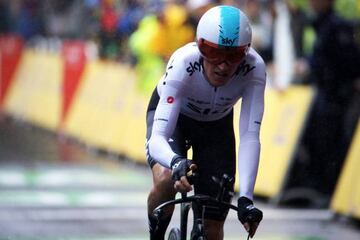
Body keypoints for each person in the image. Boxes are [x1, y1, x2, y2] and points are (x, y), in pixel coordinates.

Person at [145, 5, 265, 240]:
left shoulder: (254, 68)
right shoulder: (183, 62)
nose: (223, 65)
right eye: (213, 52)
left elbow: (250, 135)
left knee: (212, 228)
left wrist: (246, 199)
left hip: (215, 125)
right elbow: (158, 138)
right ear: (200, 47)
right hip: (176, 119)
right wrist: (175, 161)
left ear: (246, 53)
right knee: (166, 178)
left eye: (234, 56)